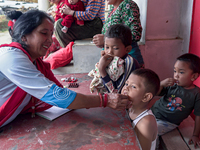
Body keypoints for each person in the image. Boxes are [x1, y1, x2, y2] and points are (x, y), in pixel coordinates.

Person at [0, 10, 129, 128]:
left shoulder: (34, 62)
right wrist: (104, 100)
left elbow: (58, 90)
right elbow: (57, 96)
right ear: (24, 36)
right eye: (44, 33)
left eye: (51, 34)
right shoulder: (12, 57)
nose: (50, 41)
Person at [151, 53, 200, 148]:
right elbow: (156, 93)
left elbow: (198, 116)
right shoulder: (172, 85)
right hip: (152, 112)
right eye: (175, 71)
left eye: (181, 72)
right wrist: (161, 84)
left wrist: (195, 135)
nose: (176, 76)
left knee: (150, 133)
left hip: (167, 122)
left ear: (193, 76)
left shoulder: (196, 94)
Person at [89, 24, 140, 94]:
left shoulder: (129, 62)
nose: (109, 52)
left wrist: (102, 69)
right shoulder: (112, 60)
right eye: (107, 47)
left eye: (115, 48)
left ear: (128, 49)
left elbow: (116, 92)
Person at [92, 0, 144, 67]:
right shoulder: (112, 9)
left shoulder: (127, 5)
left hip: (127, 60)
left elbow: (135, 34)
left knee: (131, 77)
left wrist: (105, 39)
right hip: (115, 62)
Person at [121, 68, 160, 150]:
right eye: (126, 84)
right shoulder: (129, 108)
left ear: (146, 97)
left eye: (133, 86)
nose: (126, 88)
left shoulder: (145, 123)